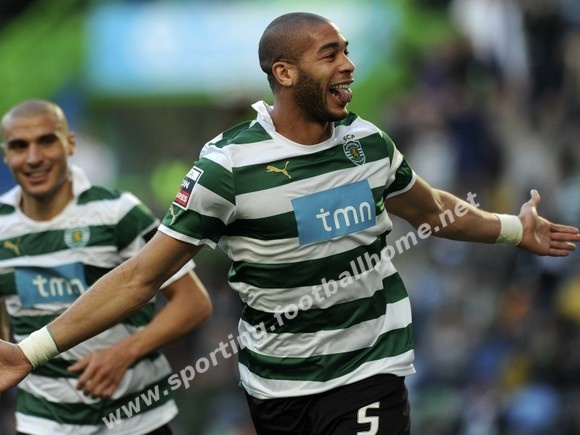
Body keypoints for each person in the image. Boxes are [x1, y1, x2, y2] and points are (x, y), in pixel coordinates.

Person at [0, 12, 578, 435]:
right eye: (330, 55)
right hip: (276, 386)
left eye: (346, 51)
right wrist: (32, 352)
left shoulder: (368, 144)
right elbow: (141, 277)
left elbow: (431, 213)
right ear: (284, 72)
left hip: (369, 367)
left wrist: (512, 228)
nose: (348, 65)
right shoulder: (227, 166)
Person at [0, 99, 212, 435]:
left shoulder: (118, 213)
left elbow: (193, 303)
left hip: (135, 419)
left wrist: (125, 352)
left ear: (70, 144)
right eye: (19, 146)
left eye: (46, 141)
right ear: (5, 154)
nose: (33, 157)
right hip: (41, 422)